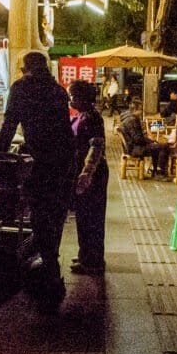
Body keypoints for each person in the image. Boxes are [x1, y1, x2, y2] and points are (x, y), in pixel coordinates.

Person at [0, 51, 75, 294]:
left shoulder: (21, 88)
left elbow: (10, 123)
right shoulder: (58, 90)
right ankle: (49, 266)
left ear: (26, 69)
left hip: (44, 164)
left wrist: (0, 155)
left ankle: (48, 271)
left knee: (40, 216)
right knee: (55, 215)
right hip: (65, 162)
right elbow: (58, 129)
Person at [68, 80, 109, 276]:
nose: (71, 100)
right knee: (84, 217)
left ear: (84, 98)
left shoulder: (91, 118)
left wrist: (87, 172)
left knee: (91, 218)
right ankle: (86, 255)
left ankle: (93, 262)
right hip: (85, 172)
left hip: (94, 174)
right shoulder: (82, 116)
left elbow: (96, 146)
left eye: (74, 96)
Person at [119, 99, 171, 179]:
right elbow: (138, 139)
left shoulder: (127, 118)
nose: (141, 112)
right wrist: (151, 141)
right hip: (135, 149)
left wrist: (151, 141)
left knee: (158, 146)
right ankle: (159, 172)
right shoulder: (132, 120)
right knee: (164, 147)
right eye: (140, 110)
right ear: (135, 110)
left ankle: (155, 170)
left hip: (132, 147)